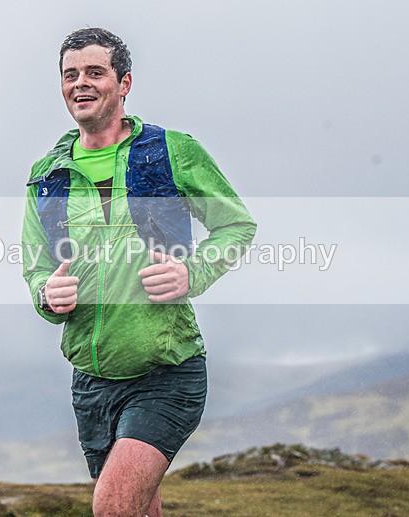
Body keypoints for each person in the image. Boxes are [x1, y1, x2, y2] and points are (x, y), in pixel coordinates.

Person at [21, 27, 256, 516]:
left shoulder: (172, 151)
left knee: (111, 508)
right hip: (90, 381)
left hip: (166, 371)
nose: (79, 83)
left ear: (124, 82)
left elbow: (236, 226)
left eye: (94, 72)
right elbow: (37, 269)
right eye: (70, 75)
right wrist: (48, 294)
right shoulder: (47, 176)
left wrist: (192, 273)